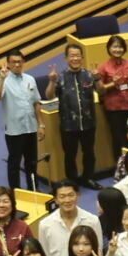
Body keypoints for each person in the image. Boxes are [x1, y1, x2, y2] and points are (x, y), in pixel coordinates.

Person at [44, 41, 101, 188]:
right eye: (72, 56)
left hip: (88, 123)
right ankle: (73, 181)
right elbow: (49, 96)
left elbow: (101, 92)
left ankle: (88, 178)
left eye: (77, 56)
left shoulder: (89, 75)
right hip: (68, 125)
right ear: (66, 59)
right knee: (70, 155)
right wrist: (51, 81)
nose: (75, 59)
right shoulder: (60, 77)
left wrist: (98, 79)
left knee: (89, 153)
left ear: (82, 57)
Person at [0, 47, 43, 191]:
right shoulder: (3, 81)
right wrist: (1, 79)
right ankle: (16, 192)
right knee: (14, 163)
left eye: (19, 62)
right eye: (13, 62)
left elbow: (36, 103)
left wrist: (41, 125)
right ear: (8, 64)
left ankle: (33, 190)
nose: (17, 65)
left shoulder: (30, 79)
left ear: (23, 62)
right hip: (14, 131)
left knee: (32, 163)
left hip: (30, 128)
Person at [37, 179, 100, 256]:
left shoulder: (92, 220)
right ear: (56, 200)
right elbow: (44, 253)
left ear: (78, 196)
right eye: (62, 196)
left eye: (71, 195)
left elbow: (98, 249)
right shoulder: (45, 224)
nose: (67, 200)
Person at [96, 34, 128, 157]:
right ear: (109, 48)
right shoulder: (103, 67)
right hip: (114, 108)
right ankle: (120, 167)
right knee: (117, 139)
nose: (117, 50)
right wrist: (113, 84)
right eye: (114, 47)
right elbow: (100, 90)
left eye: (120, 47)